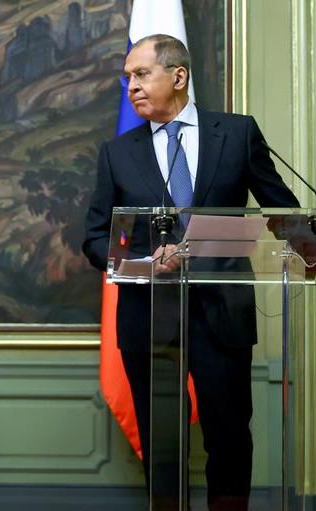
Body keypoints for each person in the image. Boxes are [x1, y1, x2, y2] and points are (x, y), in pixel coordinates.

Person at [82, 34, 300, 511]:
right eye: (127, 78)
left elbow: (282, 208)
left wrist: (311, 247)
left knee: (229, 433)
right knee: (162, 439)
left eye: (142, 74)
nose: (131, 86)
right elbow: (95, 238)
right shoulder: (117, 152)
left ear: (178, 76)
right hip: (149, 318)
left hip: (222, 312)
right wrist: (142, 263)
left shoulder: (237, 134)